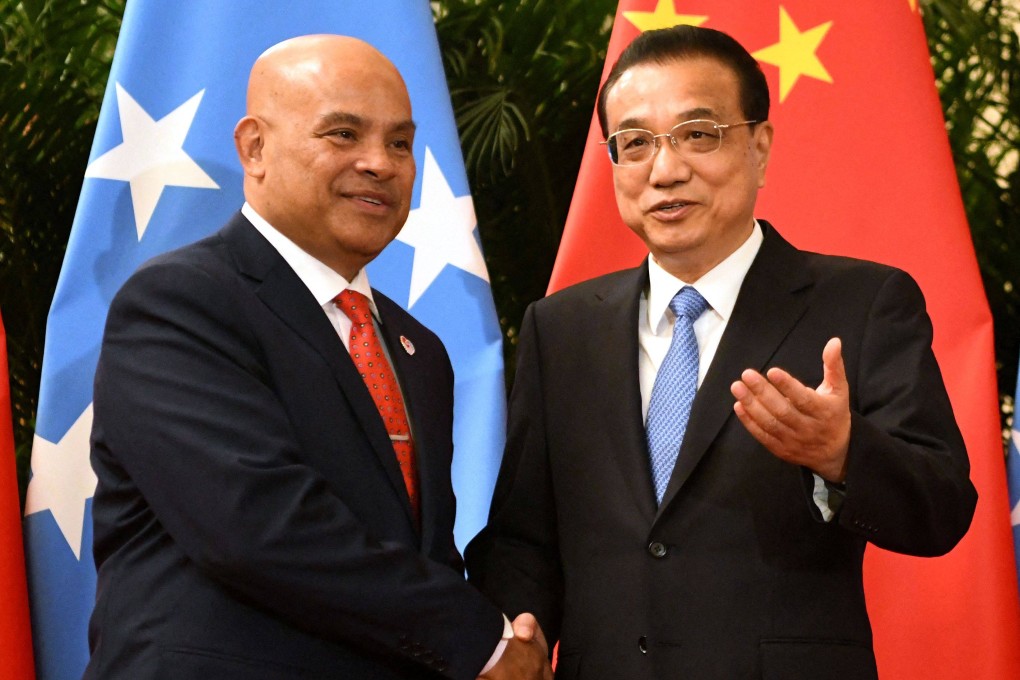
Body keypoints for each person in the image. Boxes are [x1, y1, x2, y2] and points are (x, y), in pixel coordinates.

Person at [465, 25, 977, 680]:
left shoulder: (864, 302)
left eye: (698, 135)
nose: (665, 169)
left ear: (760, 148)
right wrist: (520, 630)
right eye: (635, 144)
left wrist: (843, 455)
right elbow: (524, 537)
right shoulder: (560, 328)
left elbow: (942, 509)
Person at [86, 34, 552, 680]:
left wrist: (506, 626)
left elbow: (422, 554)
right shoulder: (181, 304)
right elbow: (258, 527)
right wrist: (481, 641)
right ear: (254, 148)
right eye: (342, 135)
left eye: (400, 143)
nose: (380, 164)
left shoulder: (419, 351)